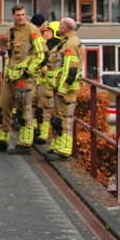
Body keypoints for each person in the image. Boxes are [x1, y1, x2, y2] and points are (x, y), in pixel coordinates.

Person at [0, 3, 46, 153]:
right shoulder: (11, 31)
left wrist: (28, 71)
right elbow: (11, 55)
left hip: (23, 79)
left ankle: (25, 144)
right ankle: (1, 140)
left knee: (24, 111)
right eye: (18, 15)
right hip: (10, 77)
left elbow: (42, 54)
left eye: (23, 15)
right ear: (13, 15)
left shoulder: (32, 30)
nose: (21, 18)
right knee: (2, 108)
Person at [44, 17, 85, 161]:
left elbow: (71, 70)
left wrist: (63, 89)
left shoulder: (71, 44)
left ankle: (64, 150)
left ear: (64, 28)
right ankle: (56, 146)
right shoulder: (66, 41)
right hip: (59, 89)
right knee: (58, 119)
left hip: (66, 92)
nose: (59, 28)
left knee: (65, 120)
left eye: (60, 26)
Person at [34, 19, 62, 144]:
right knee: (35, 106)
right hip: (40, 81)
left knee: (45, 109)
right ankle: (36, 129)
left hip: (49, 84)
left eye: (49, 31)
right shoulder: (46, 45)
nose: (46, 33)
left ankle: (43, 134)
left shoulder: (58, 49)